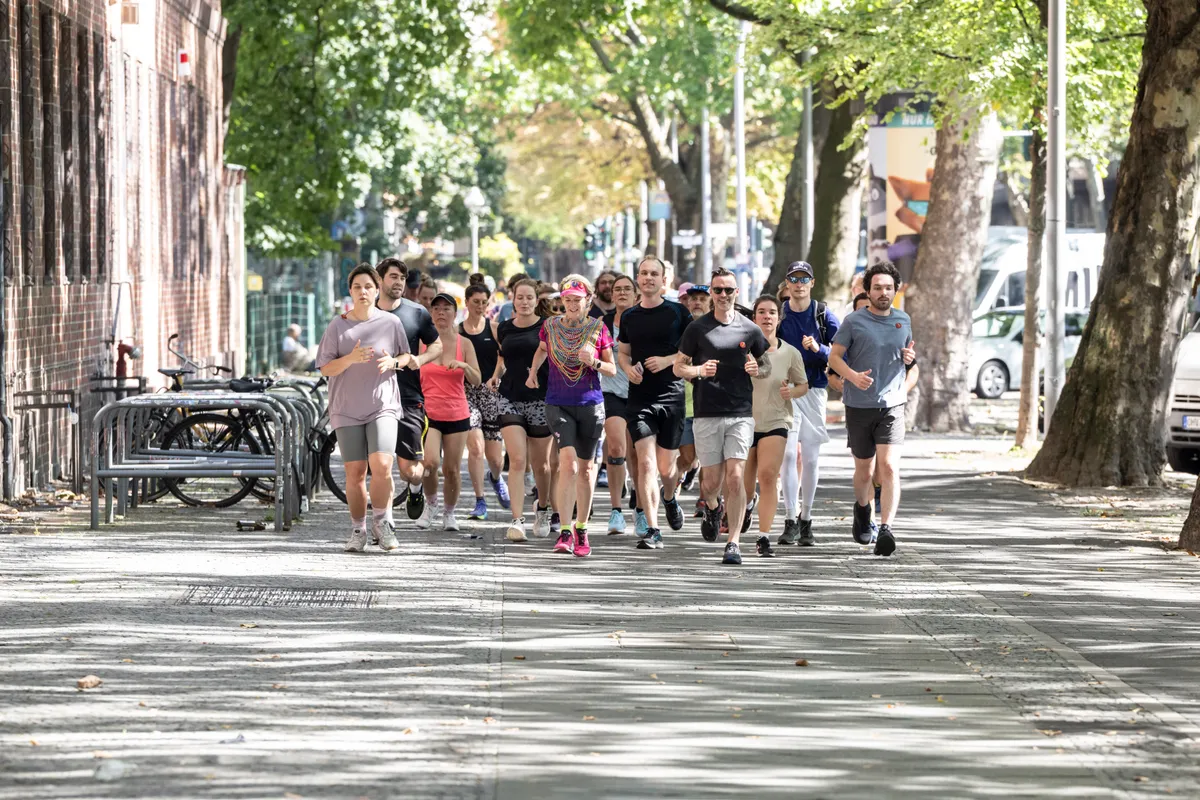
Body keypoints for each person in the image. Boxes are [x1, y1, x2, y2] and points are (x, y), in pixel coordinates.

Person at [675, 267, 771, 565]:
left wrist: (759, 369)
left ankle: (733, 543)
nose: (723, 296)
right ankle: (714, 507)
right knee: (711, 483)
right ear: (712, 294)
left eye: (728, 290)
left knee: (735, 477)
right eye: (718, 290)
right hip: (707, 413)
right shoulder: (697, 329)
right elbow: (679, 367)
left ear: (736, 292)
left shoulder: (749, 328)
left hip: (740, 413)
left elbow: (766, 365)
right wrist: (699, 371)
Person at [316, 264, 412, 553]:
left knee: (383, 465)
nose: (362, 291)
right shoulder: (338, 326)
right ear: (350, 291)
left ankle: (382, 524)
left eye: (368, 286)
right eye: (357, 287)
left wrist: (394, 362)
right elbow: (325, 368)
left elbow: (407, 355)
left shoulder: (391, 323)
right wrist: (351, 359)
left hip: (382, 404)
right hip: (346, 407)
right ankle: (358, 529)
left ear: (377, 289)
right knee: (355, 471)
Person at [828, 261, 916, 558]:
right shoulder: (854, 321)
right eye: (877, 287)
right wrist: (852, 377)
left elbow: (906, 357)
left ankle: (887, 528)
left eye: (888, 288)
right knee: (864, 472)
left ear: (895, 290)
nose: (882, 292)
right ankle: (863, 510)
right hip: (859, 405)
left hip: (892, 405)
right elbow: (835, 358)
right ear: (868, 290)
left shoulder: (903, 319)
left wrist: (907, 358)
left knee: (889, 467)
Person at [527, 275, 617, 558]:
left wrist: (595, 362)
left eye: (577, 300)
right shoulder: (550, 326)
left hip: (590, 404)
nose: (572, 304)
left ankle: (582, 528)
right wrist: (532, 373)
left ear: (587, 300)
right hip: (557, 403)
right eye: (567, 300)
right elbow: (541, 351)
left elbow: (612, 370)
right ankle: (564, 530)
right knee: (567, 464)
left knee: (587, 468)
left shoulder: (597, 328)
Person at [617, 256, 692, 550]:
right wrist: (627, 369)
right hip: (640, 398)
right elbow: (623, 353)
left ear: (664, 280)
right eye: (643, 273)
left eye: (654, 274)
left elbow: (690, 352)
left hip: (671, 396)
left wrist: (667, 360)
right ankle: (653, 529)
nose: (648, 278)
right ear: (638, 278)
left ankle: (670, 496)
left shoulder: (677, 313)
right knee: (645, 464)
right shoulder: (630, 316)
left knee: (666, 469)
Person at [777, 261, 840, 547]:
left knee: (811, 458)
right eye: (794, 278)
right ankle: (789, 518)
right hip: (785, 391)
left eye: (804, 278)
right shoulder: (779, 314)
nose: (799, 283)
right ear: (787, 283)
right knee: (788, 455)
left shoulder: (824, 315)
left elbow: (842, 355)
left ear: (812, 283)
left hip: (814, 390)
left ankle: (807, 518)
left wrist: (819, 349)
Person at [376, 258, 443, 522]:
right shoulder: (366, 312)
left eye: (402, 278)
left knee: (411, 471)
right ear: (380, 279)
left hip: (408, 397)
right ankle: (384, 521)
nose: (398, 282)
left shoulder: (416, 313)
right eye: (393, 277)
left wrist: (421, 359)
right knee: (380, 465)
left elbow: (436, 346)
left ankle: (415, 488)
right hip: (373, 398)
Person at [745, 296, 809, 552]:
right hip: (744, 422)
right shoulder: (742, 350)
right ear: (754, 318)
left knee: (769, 475)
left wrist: (791, 393)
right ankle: (748, 505)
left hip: (776, 421)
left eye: (772, 312)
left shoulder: (790, 352)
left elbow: (803, 385)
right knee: (742, 483)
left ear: (778, 319)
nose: (767, 316)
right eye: (761, 312)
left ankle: (763, 536)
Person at [492, 278, 553, 542]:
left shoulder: (548, 327)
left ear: (537, 300)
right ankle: (517, 520)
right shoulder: (503, 328)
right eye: (520, 297)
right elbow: (503, 357)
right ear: (513, 299)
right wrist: (496, 375)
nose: (525, 302)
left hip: (541, 398)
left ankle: (542, 508)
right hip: (510, 396)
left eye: (530, 297)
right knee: (517, 460)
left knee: (541, 465)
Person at [416, 293, 482, 531]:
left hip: (457, 413)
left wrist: (464, 365)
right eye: (436, 309)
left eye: (447, 309)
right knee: (430, 463)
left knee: (452, 470)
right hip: (428, 413)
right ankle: (431, 504)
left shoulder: (464, 344)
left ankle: (449, 512)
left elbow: (477, 379)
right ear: (430, 313)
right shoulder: (421, 342)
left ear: (455, 314)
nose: (441, 313)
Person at [460, 283, 509, 519]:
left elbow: (504, 359)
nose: (480, 306)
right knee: (475, 448)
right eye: (475, 301)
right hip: (466, 393)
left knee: (495, 458)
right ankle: (480, 501)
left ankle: (496, 478)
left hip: (491, 392)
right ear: (466, 301)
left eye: (484, 302)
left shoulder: (495, 329)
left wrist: (495, 377)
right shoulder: (458, 331)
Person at [600, 274, 637, 535]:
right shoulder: (600, 324)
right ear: (612, 296)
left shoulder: (644, 321)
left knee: (636, 454)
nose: (622, 293)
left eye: (627, 289)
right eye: (617, 290)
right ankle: (615, 511)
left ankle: (641, 505)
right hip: (609, 390)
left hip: (639, 391)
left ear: (635, 295)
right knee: (616, 445)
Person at [676, 283, 712, 503]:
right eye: (693, 298)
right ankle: (676, 479)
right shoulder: (678, 328)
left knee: (710, 458)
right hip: (685, 403)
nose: (697, 302)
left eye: (702, 298)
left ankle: (706, 501)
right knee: (688, 458)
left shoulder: (719, 327)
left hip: (712, 404)